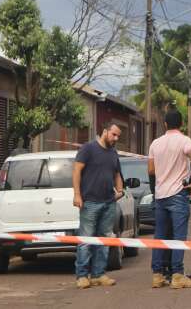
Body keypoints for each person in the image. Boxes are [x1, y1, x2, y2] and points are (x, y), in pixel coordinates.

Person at [148, 109, 191, 289]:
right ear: (181, 124)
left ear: (165, 124)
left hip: (160, 194)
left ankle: (157, 275)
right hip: (178, 194)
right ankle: (177, 275)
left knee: (160, 236)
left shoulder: (155, 143)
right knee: (179, 236)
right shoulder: (184, 140)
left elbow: (151, 171)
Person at [73, 122, 124, 289]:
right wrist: (77, 195)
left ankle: (98, 274)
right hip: (90, 203)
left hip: (109, 203)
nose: (116, 138)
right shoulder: (88, 149)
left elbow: (116, 173)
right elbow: (77, 171)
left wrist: (120, 190)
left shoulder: (113, 153)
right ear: (105, 131)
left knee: (104, 240)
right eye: (114, 134)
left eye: (118, 136)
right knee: (86, 241)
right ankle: (82, 275)